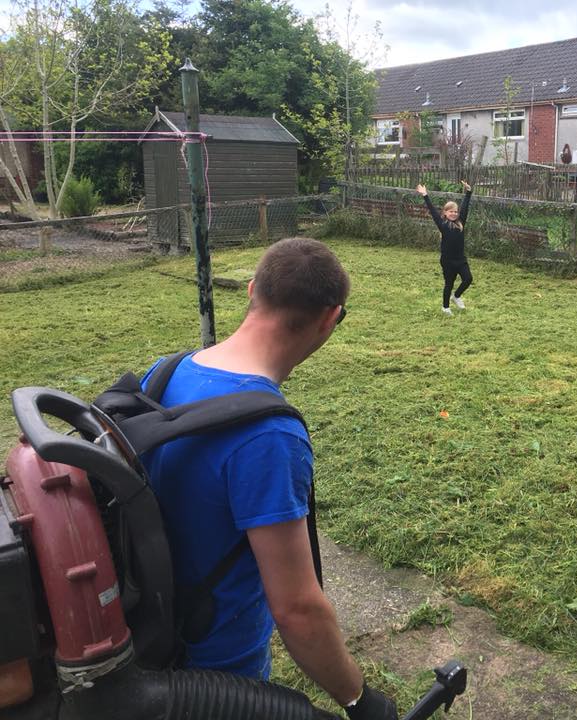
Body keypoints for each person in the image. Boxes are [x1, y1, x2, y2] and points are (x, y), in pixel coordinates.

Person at [140, 237, 396, 720]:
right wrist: (360, 699)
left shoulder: (166, 372)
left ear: (253, 289)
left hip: (145, 645)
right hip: (216, 679)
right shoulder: (268, 437)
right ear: (329, 318)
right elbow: (297, 610)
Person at [416, 181, 473, 316]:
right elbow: (432, 211)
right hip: (447, 261)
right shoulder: (442, 224)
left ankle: (457, 296)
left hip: (461, 260)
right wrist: (425, 195)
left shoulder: (460, 223)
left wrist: (469, 192)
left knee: (468, 279)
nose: (454, 213)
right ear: (445, 213)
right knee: (449, 284)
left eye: (455, 211)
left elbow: (465, 207)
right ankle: (445, 307)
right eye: (451, 211)